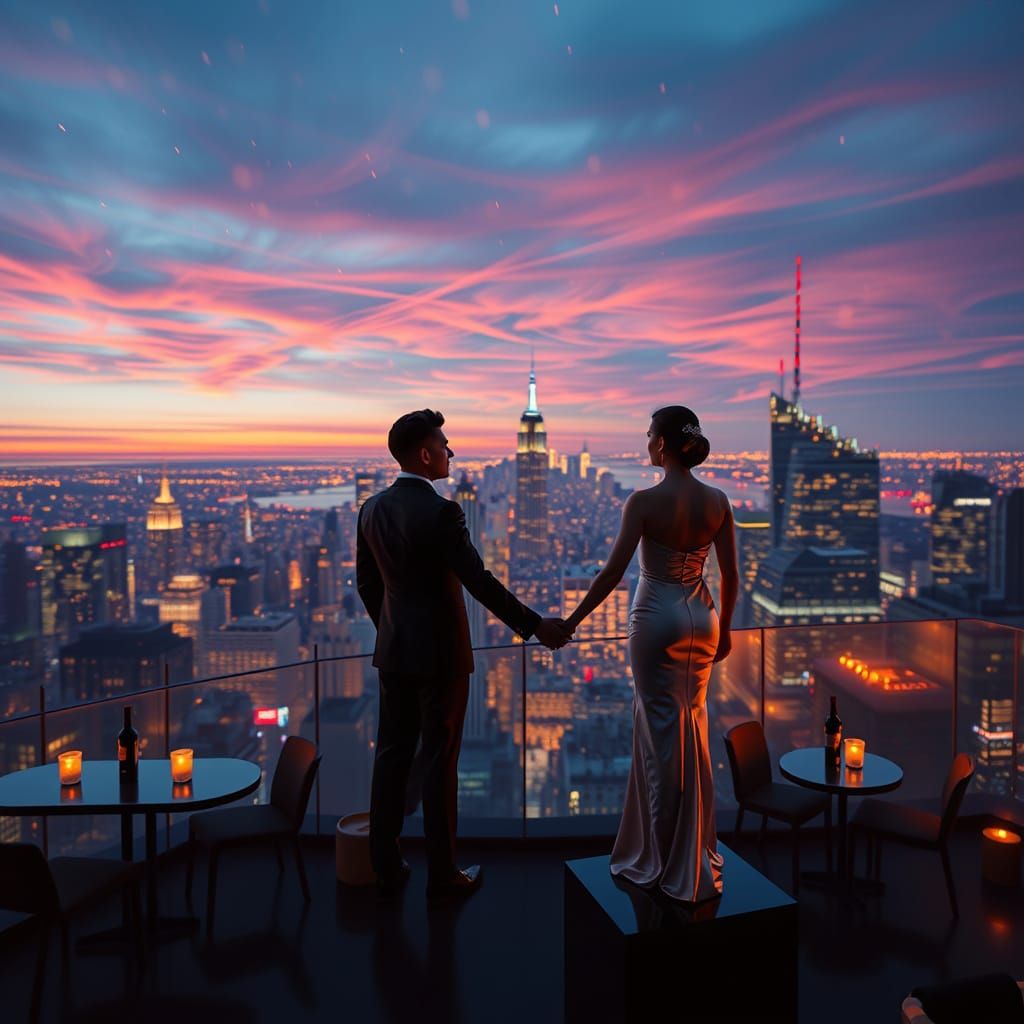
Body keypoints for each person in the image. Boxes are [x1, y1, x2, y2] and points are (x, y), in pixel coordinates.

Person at [357, 409, 569, 904]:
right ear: (425, 454)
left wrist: (392, 632)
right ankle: (443, 874)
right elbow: (479, 581)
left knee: (390, 757)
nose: (451, 452)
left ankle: (384, 864)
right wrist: (536, 626)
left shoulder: (371, 509)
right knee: (438, 763)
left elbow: (368, 585)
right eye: (445, 445)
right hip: (443, 657)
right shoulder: (442, 512)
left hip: (393, 653)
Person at [564, 406, 738, 903]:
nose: (645, 442)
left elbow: (612, 574)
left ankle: (662, 860)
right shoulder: (719, 500)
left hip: (655, 619)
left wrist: (573, 622)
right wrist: (724, 631)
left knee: (660, 736)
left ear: (662, 445)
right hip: (702, 618)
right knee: (693, 726)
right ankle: (697, 849)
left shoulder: (642, 501)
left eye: (647, 435)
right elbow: (732, 577)